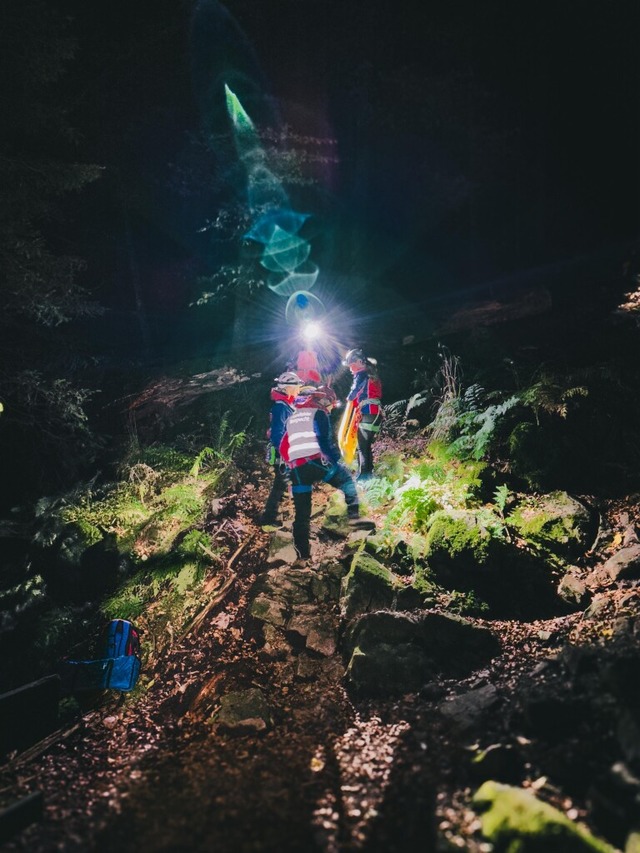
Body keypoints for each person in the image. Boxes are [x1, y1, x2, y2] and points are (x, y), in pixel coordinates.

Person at [280, 384, 374, 562]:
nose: (330, 408)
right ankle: (355, 519)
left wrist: (291, 465)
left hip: (297, 470)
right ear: (323, 400)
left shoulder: (292, 417)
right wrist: (336, 460)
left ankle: (303, 556)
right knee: (346, 480)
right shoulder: (318, 413)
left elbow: (284, 446)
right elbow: (323, 440)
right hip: (315, 462)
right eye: (330, 404)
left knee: (302, 515)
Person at [259, 371, 303, 529]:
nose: (299, 389)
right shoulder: (280, 407)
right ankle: (268, 518)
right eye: (297, 386)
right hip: (282, 453)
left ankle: (270, 516)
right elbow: (278, 434)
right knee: (280, 484)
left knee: (281, 484)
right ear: (288, 388)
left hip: (286, 451)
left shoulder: (287, 405)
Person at [344, 348, 383, 481]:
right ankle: (368, 474)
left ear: (360, 362)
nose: (350, 367)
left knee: (362, 446)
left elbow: (354, 393)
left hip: (368, 413)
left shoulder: (361, 374)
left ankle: (364, 477)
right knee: (365, 445)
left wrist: (349, 398)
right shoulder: (371, 373)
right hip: (376, 414)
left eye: (351, 364)